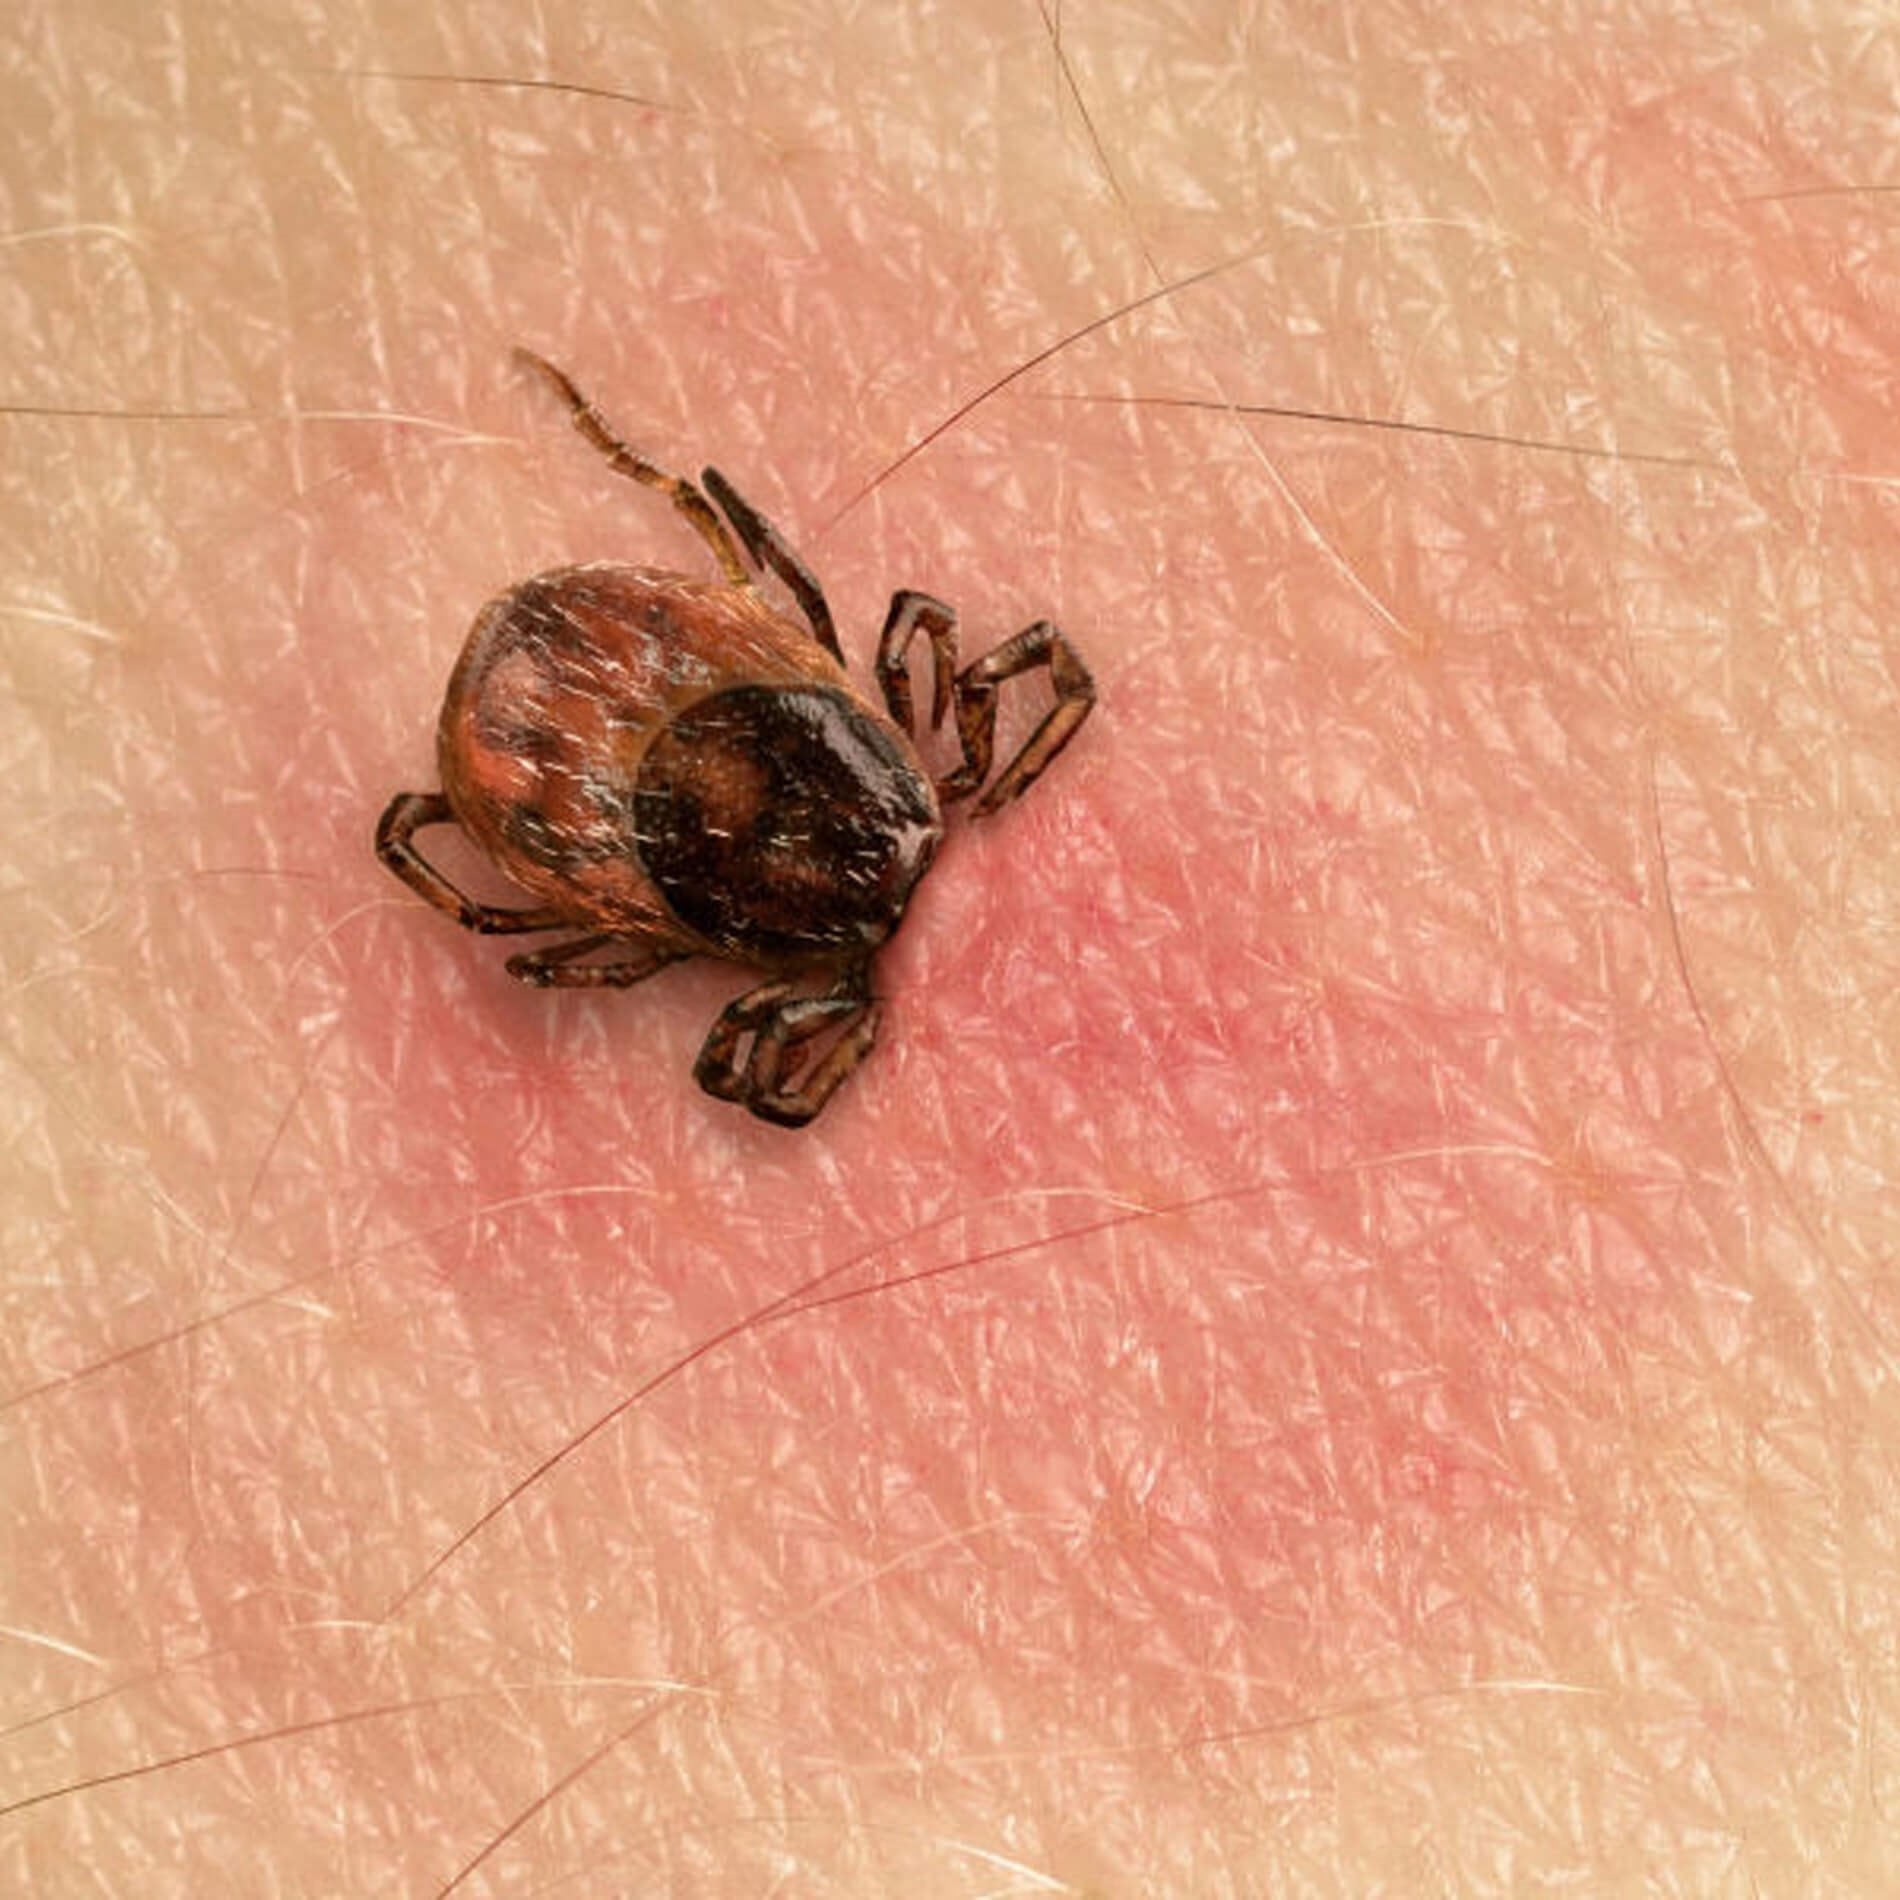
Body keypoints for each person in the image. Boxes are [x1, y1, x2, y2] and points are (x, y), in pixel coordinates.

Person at [6, 7, 1886, 1891]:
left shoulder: (760, 893)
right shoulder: (897, 743)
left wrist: (505, 863)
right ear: (898, 725)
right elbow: (929, 652)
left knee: (525, 896)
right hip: (679, 725)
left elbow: (613, 975)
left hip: (616, 747)